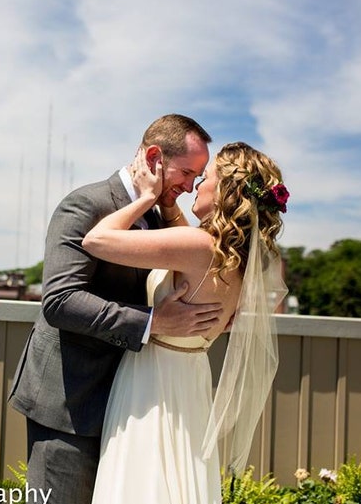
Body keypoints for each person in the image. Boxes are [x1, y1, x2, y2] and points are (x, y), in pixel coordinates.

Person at [8, 114, 224, 504]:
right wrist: (154, 322)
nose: (191, 187)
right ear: (154, 157)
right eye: (186, 173)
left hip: (132, 407)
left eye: (199, 177)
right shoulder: (85, 204)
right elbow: (60, 300)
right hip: (72, 403)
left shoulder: (160, 217)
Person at [83, 142, 289, 503]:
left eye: (205, 177)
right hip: (189, 382)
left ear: (225, 190)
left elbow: (96, 240)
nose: (195, 185)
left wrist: (147, 198)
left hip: (153, 383)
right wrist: (169, 206)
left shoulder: (199, 246)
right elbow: (186, 245)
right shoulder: (236, 261)